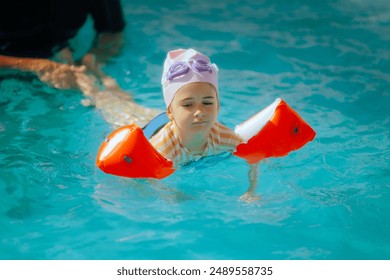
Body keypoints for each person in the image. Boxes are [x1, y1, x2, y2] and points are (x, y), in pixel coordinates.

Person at [149, 49, 260, 202]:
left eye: (207, 103)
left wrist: (251, 191)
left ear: (218, 106)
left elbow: (254, 159)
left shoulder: (223, 137)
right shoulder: (161, 149)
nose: (200, 112)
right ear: (170, 111)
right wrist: (170, 193)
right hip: (152, 128)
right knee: (116, 108)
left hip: (176, 124)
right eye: (188, 105)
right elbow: (148, 181)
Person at [0, 0, 125, 89]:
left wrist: (91, 61)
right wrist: (35, 66)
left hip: (61, 51)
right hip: (7, 60)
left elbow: (112, 33)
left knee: (104, 92)